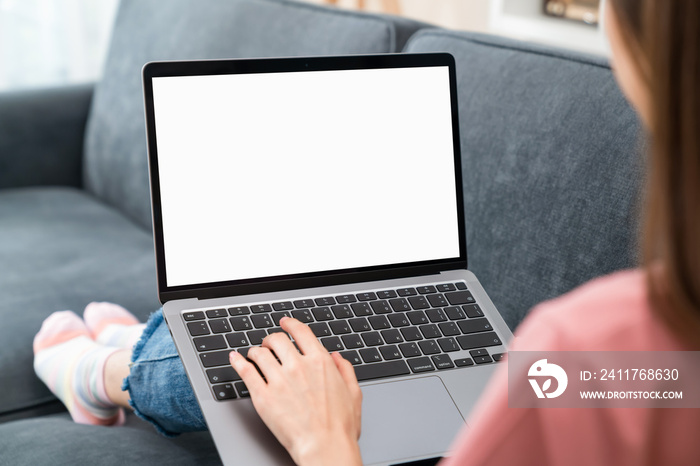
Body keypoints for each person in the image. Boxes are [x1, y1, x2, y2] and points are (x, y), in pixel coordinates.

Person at [33, 0, 700, 463]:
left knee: (235, 366)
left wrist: (326, 444)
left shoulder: (595, 348)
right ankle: (128, 346)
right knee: (249, 352)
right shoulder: (623, 362)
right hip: (448, 329)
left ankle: (100, 374)